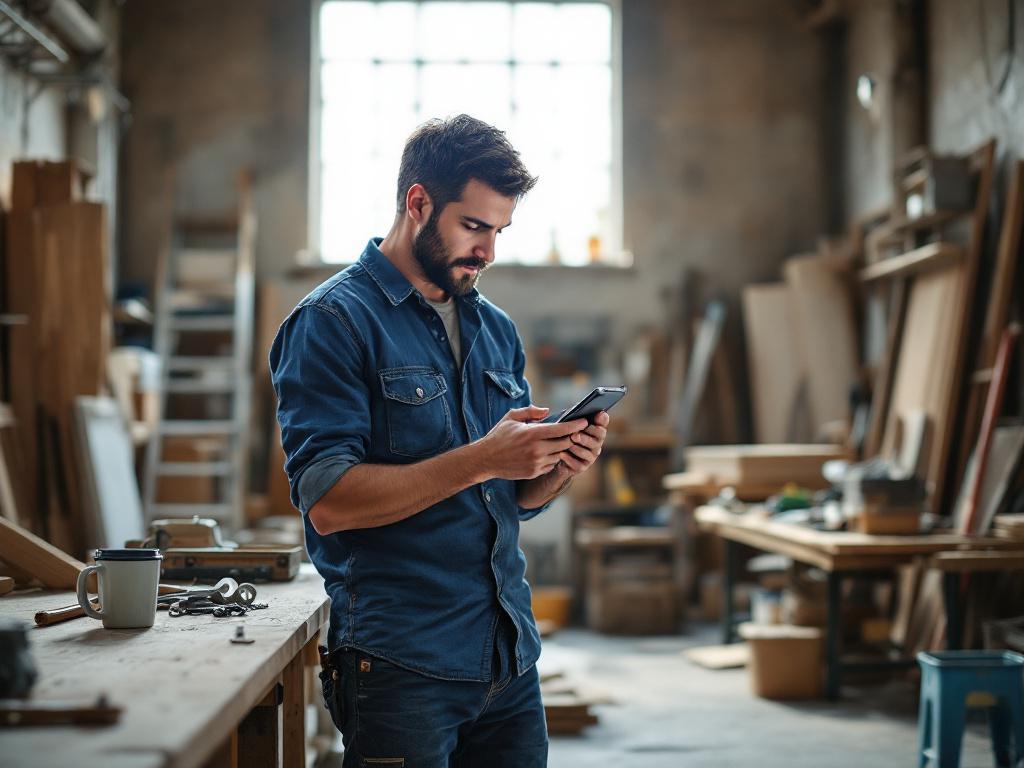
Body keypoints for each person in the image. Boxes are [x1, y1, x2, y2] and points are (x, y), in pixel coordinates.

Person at [270, 114, 610, 767]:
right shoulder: (332, 322)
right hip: (402, 666)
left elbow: (510, 499)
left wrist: (560, 464)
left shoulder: (496, 328)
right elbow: (329, 502)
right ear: (419, 203)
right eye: (474, 226)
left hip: (509, 658)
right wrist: (483, 458)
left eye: (499, 231)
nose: (488, 252)